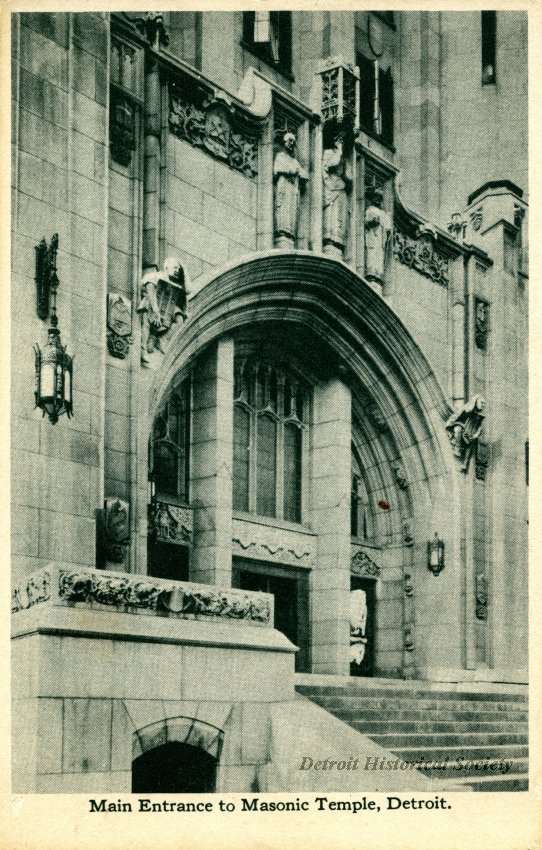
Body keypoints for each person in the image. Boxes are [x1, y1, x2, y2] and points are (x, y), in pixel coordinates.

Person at [137, 256, 188, 364]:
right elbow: (151, 293)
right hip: (152, 303)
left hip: (168, 305)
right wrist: (156, 312)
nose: (177, 271)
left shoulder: (176, 284)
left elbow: (188, 290)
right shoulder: (153, 276)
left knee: (180, 319)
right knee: (146, 323)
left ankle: (160, 338)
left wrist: (184, 269)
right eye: (174, 268)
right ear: (166, 267)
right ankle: (143, 348)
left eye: (178, 270)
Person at [273, 132, 308, 248]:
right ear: (284, 142)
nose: (291, 144)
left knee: (292, 210)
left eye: (293, 142)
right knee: (282, 208)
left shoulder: (295, 162)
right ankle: (281, 233)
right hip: (284, 186)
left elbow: (305, 175)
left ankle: (289, 234)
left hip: (293, 189)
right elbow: (276, 169)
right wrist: (290, 171)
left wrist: (297, 171)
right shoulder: (280, 156)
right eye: (289, 141)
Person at [322, 133, 351, 256]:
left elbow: (349, 177)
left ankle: (337, 239)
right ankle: (329, 240)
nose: (341, 143)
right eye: (339, 140)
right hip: (331, 185)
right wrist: (339, 152)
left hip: (340, 186)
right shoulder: (328, 153)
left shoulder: (343, 158)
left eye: (343, 141)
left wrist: (347, 165)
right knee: (331, 212)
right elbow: (330, 165)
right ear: (334, 141)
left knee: (340, 214)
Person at [364, 187, 391, 282]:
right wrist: (376, 220)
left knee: (379, 253)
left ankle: (378, 273)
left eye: (379, 198)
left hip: (380, 237)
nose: (378, 200)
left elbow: (387, 227)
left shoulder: (383, 213)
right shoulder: (370, 210)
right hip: (373, 235)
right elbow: (368, 220)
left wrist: (387, 222)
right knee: (372, 251)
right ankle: (371, 271)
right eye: (376, 198)